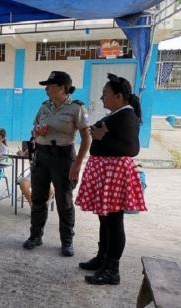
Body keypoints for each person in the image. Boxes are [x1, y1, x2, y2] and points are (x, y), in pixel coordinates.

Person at [76, 74, 146, 285]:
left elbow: (132, 149)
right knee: (104, 218)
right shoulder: (117, 114)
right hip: (106, 173)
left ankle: (112, 270)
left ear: (118, 96)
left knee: (114, 222)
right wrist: (100, 133)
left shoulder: (126, 116)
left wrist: (102, 136)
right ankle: (103, 258)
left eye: (105, 94)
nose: (102, 97)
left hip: (115, 175)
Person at [23, 71, 91, 257]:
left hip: (63, 157)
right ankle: (35, 236)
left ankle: (67, 241)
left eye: (50, 85)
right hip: (42, 155)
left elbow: (86, 138)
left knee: (64, 200)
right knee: (38, 198)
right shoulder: (44, 107)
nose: (46, 89)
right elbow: (34, 130)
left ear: (62, 88)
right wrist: (39, 131)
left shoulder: (76, 108)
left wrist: (77, 164)